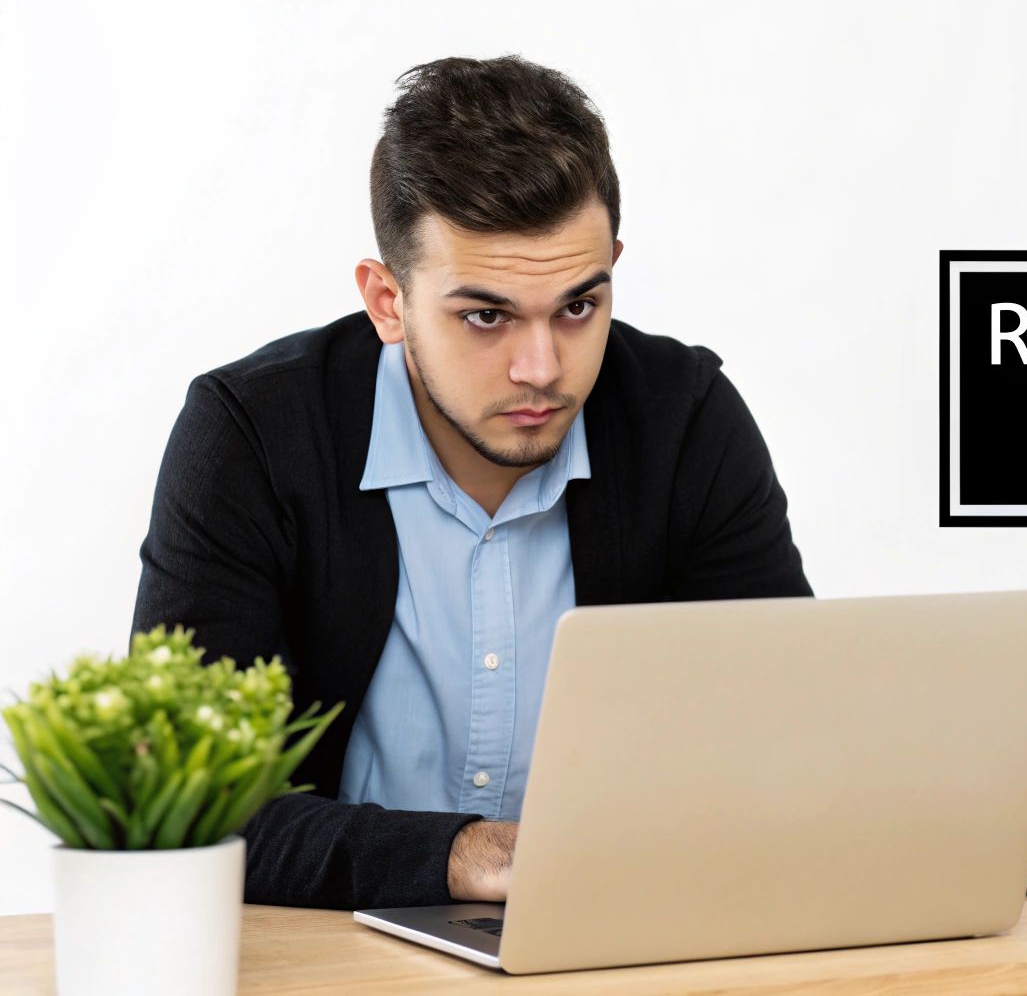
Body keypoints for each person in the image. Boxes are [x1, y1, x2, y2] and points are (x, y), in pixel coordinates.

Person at [131, 55, 813, 910]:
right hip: (335, 953)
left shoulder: (685, 420)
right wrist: (460, 855)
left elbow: (783, 744)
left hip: (615, 942)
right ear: (387, 301)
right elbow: (187, 806)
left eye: (578, 306)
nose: (542, 368)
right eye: (485, 316)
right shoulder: (252, 435)